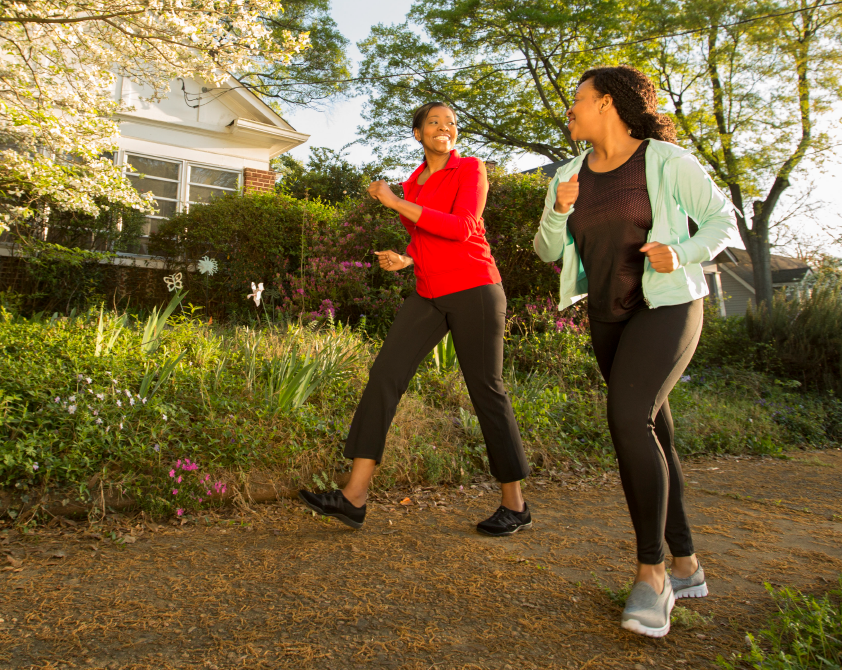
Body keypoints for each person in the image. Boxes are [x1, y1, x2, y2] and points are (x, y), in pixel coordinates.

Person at [534, 65, 735, 638]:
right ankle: (689, 564)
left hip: (667, 306)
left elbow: (723, 221)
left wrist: (684, 250)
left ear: (607, 104)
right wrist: (558, 209)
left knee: (626, 418)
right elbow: (546, 246)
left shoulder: (667, 162)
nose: (569, 109)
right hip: (607, 315)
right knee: (653, 432)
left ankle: (653, 576)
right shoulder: (568, 174)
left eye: (578, 99)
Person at [298, 102, 533, 538]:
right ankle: (354, 495)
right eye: (434, 122)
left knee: (486, 391)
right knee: (385, 375)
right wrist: (405, 258)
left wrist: (394, 201)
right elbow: (427, 235)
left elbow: (463, 228)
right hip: (428, 291)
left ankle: (514, 504)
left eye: (451, 123)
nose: (445, 128)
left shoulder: (470, 169)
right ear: (418, 134)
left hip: (474, 289)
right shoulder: (414, 182)